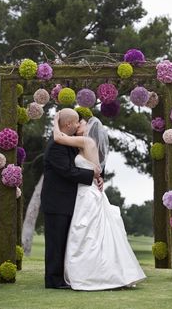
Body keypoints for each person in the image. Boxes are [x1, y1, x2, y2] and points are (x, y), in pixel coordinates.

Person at [53, 112, 146, 291]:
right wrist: (97, 175)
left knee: (87, 234)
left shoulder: (87, 142)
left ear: (89, 127)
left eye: (81, 123)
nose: (78, 125)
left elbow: (58, 137)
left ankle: (95, 275)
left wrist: (56, 120)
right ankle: (98, 272)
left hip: (87, 194)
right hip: (87, 190)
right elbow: (94, 168)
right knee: (92, 234)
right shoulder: (84, 145)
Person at [40, 108, 101, 289]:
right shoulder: (56, 146)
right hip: (56, 202)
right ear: (68, 124)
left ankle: (64, 277)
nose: (78, 124)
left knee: (66, 241)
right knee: (55, 242)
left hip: (69, 201)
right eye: (76, 122)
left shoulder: (69, 144)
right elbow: (68, 171)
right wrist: (92, 174)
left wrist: (97, 175)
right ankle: (53, 280)